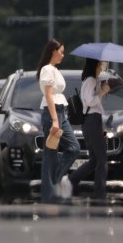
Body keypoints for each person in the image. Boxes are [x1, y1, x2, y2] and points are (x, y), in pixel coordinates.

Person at [37, 39, 80, 204]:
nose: (62, 55)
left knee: (74, 148)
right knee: (50, 154)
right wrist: (55, 119)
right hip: (52, 113)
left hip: (61, 112)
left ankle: (53, 182)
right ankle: (49, 194)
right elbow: (48, 95)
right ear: (53, 51)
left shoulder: (53, 69)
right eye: (61, 51)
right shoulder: (47, 69)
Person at [68, 58, 110, 203]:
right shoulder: (90, 80)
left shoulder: (93, 80)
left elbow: (94, 104)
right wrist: (103, 92)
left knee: (94, 160)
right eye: (101, 64)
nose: (103, 66)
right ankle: (99, 193)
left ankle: (72, 180)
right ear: (95, 65)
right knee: (101, 159)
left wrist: (102, 89)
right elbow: (90, 102)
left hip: (94, 121)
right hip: (91, 121)